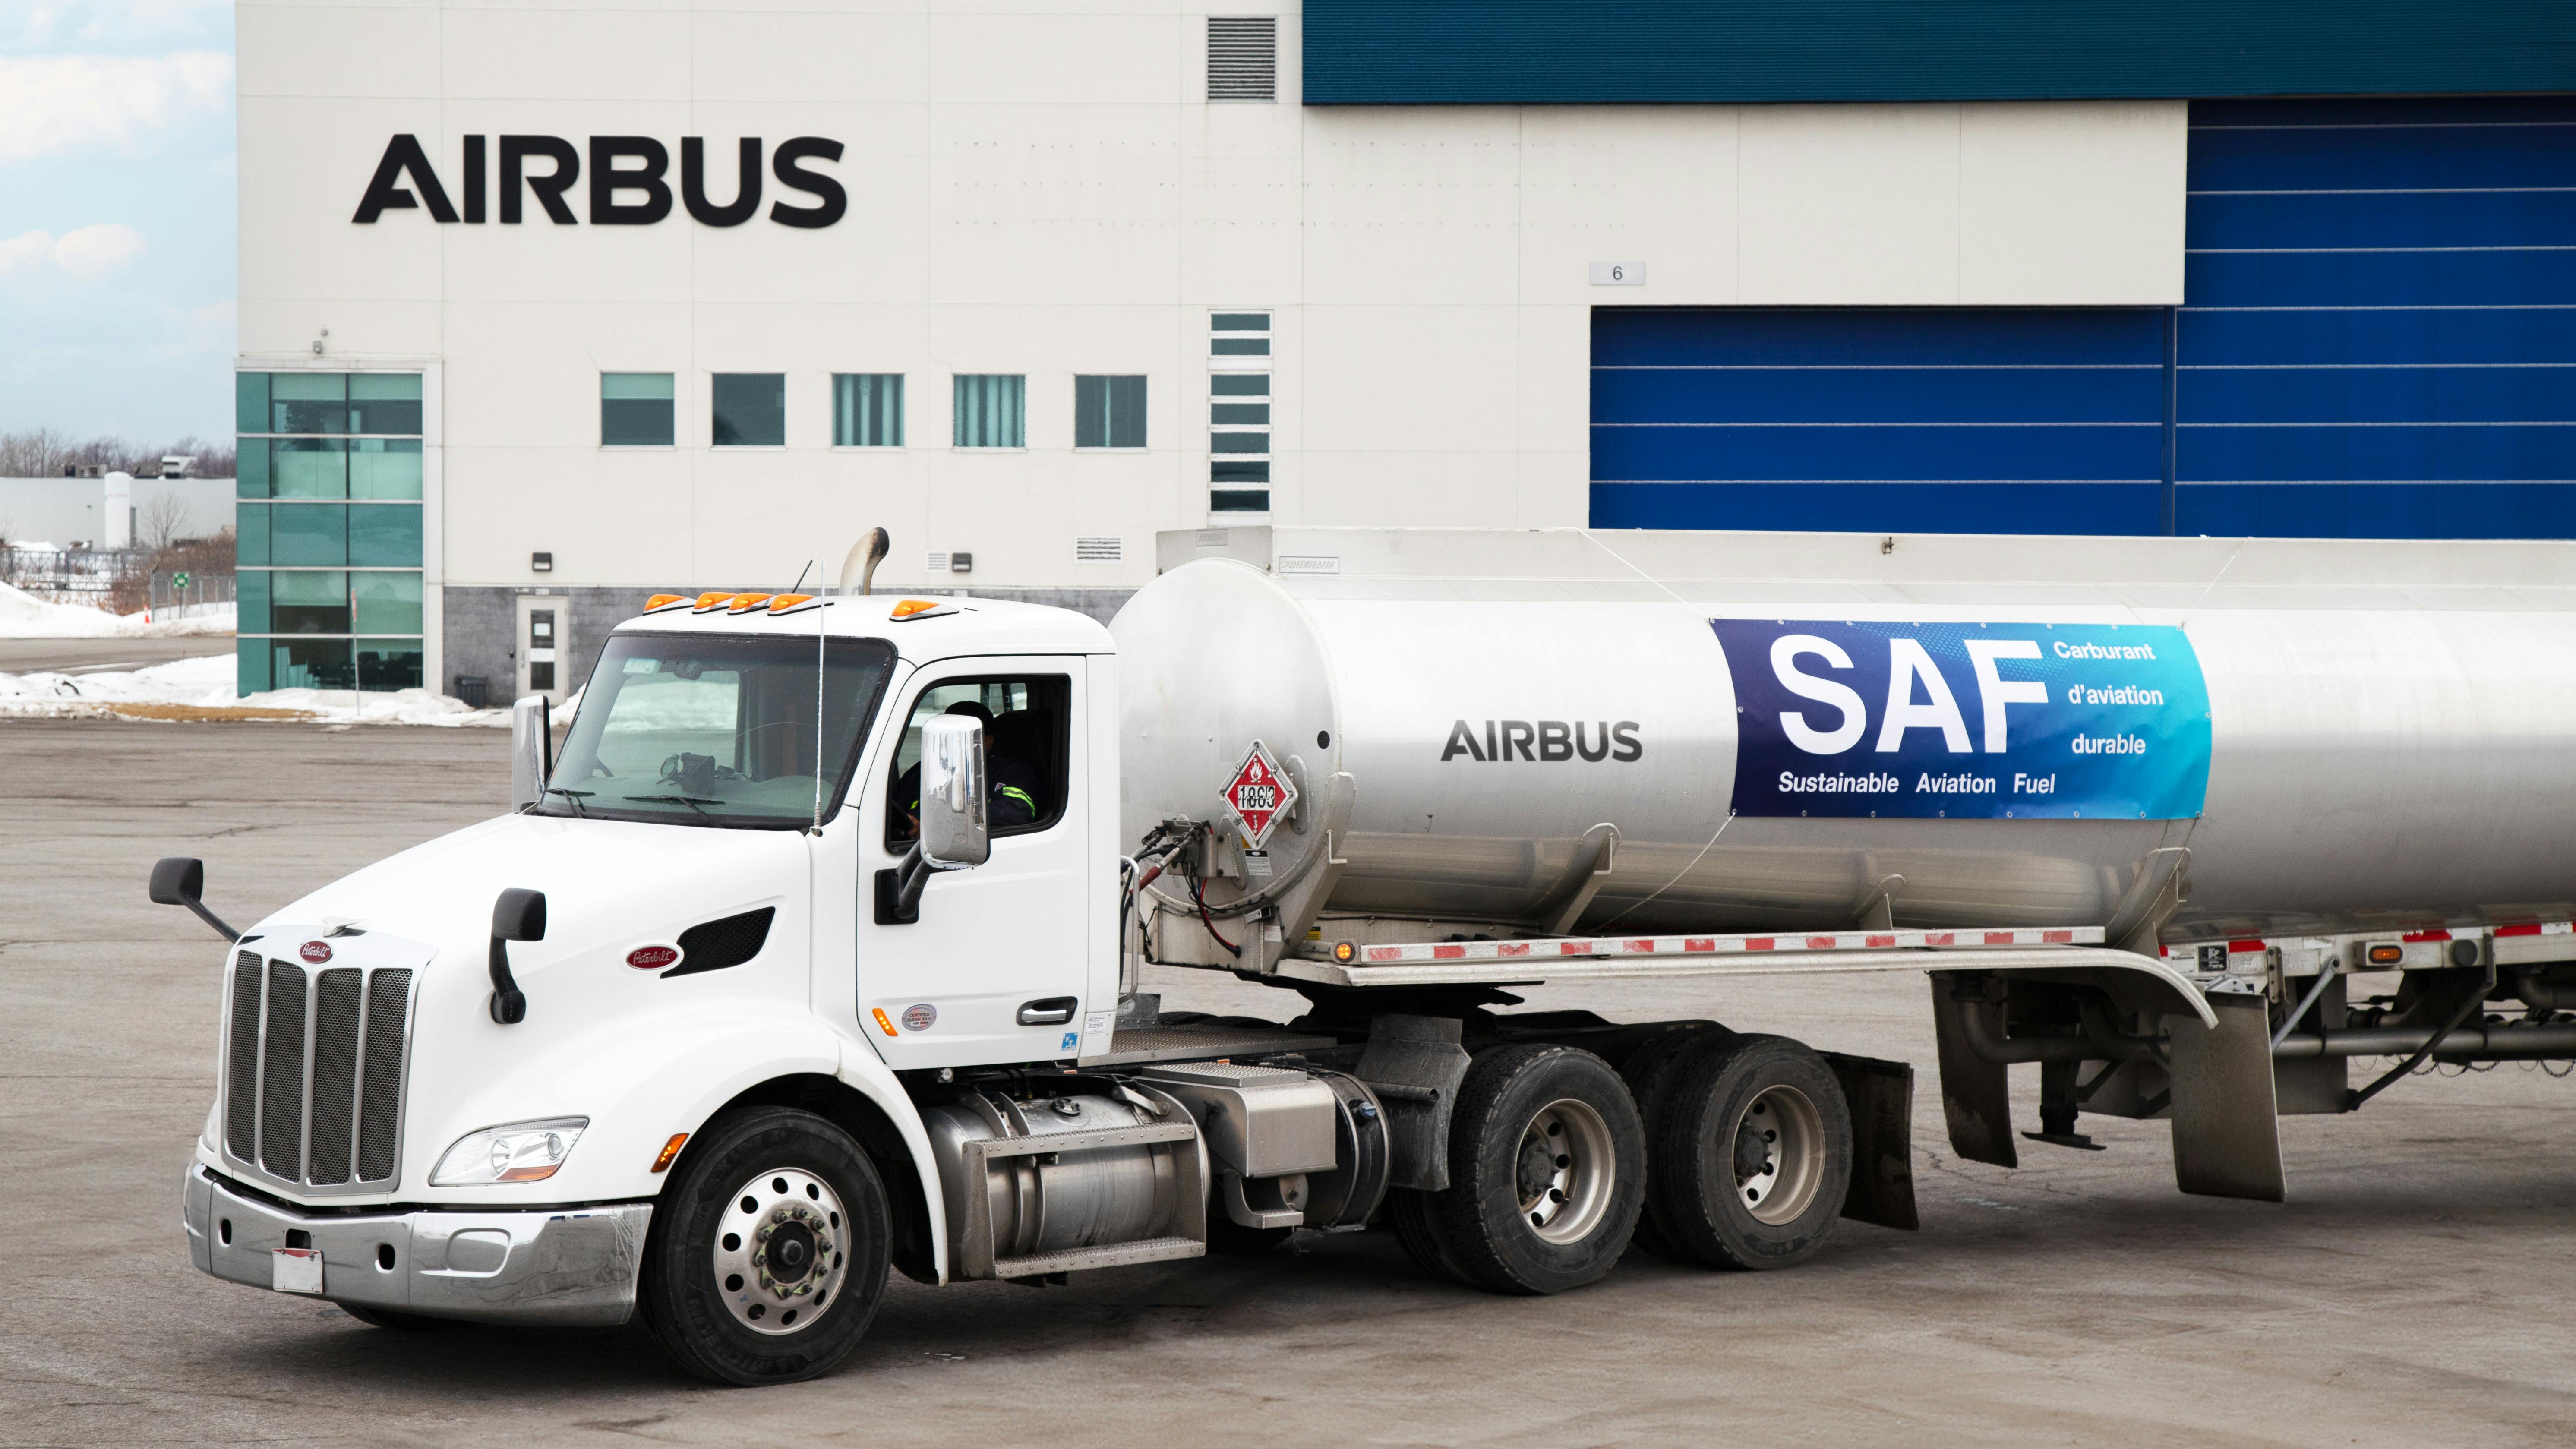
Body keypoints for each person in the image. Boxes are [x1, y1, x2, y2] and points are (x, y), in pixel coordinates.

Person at [892, 700, 1042, 839]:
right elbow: (891, 806)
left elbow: (1014, 812)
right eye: (944, 735)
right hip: (904, 848)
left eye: (957, 736)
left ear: (987, 742)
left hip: (959, 851)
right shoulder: (923, 769)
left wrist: (938, 824)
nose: (947, 742)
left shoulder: (1013, 771)